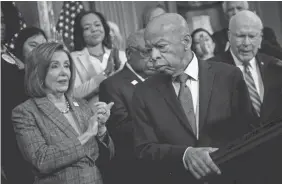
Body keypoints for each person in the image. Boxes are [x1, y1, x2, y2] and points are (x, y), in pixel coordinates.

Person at [131, 13, 254, 184]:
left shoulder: (228, 76)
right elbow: (143, 149)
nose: (153, 55)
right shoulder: (143, 92)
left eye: (161, 47)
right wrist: (185, 154)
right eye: (149, 49)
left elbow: (249, 134)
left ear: (186, 42)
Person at [11, 42, 115, 184]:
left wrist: (101, 129)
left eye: (66, 66)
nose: (64, 72)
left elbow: (106, 156)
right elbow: (42, 161)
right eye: (55, 66)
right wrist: (86, 135)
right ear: (39, 72)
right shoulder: (25, 113)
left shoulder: (83, 105)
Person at [211, 10, 282, 183]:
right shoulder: (211, 69)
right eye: (240, 36)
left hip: (275, 161)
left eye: (252, 36)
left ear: (260, 37)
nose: (246, 43)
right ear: (229, 36)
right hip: (236, 163)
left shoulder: (275, 66)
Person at [99, 29, 156, 184]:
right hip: (137, 168)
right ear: (129, 54)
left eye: (156, 51)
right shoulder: (112, 85)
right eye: (147, 52)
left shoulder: (163, 79)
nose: (153, 58)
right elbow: (120, 130)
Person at [1, 25, 47, 184]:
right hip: (13, 142)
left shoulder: (52, 74)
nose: (39, 49)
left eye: (43, 45)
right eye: (33, 45)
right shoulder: (11, 73)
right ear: (20, 47)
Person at [71, 11, 127, 107]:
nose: (94, 29)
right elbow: (74, 94)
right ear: (81, 33)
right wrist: (105, 74)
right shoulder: (73, 58)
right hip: (94, 114)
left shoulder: (121, 55)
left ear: (104, 27)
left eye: (97, 25)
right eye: (87, 28)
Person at [213, 1, 282, 59]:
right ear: (225, 16)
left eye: (239, 8)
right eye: (230, 9)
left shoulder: (266, 32)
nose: (235, 12)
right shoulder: (218, 37)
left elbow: (279, 56)